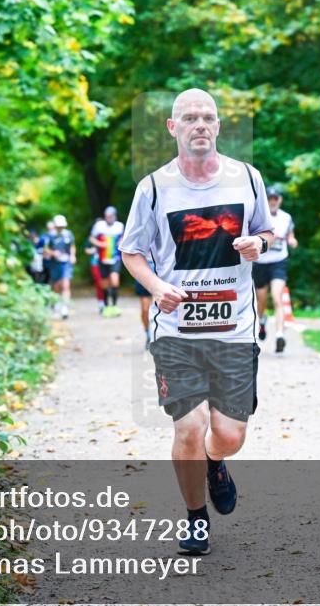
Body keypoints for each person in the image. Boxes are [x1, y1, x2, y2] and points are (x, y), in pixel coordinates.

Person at [121, 88, 275, 556]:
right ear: (173, 128)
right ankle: (194, 519)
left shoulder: (247, 178)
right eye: (190, 118)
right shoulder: (152, 188)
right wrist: (156, 287)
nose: (200, 125)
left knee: (229, 435)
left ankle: (215, 462)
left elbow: (268, 231)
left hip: (234, 331)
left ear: (219, 126)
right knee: (187, 426)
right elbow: (131, 252)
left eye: (208, 117)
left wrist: (259, 246)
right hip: (177, 333)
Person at [252, 184, 298, 353]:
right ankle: (262, 321)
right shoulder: (259, 216)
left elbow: (291, 236)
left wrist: (292, 241)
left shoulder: (286, 218)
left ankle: (279, 335)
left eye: (275, 199)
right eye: (270, 199)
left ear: (280, 200)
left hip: (279, 261)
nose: (272, 202)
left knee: (277, 297)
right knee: (261, 301)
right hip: (260, 263)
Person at [91, 206, 125, 317]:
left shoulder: (119, 226)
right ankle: (106, 306)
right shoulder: (99, 226)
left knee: (115, 281)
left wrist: (121, 242)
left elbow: (124, 237)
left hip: (115, 258)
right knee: (104, 284)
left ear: (115, 216)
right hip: (102, 259)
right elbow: (91, 238)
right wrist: (100, 244)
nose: (108, 219)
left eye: (110, 216)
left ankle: (114, 306)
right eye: (106, 217)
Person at [45, 214, 76, 319]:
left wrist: (72, 256)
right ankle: (56, 305)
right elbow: (45, 249)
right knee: (56, 286)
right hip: (55, 264)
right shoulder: (50, 236)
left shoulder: (68, 234)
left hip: (66, 263)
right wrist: (53, 253)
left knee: (66, 285)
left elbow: (72, 246)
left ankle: (65, 307)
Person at [133, 259, 156, 349]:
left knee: (157, 307)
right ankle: (148, 334)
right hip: (143, 274)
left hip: (159, 275)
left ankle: (157, 335)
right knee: (145, 309)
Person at [84, 219, 106, 314]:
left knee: (107, 283)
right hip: (95, 262)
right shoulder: (92, 238)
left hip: (106, 262)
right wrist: (94, 250)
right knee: (99, 282)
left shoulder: (108, 235)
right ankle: (101, 303)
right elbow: (86, 250)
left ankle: (108, 303)